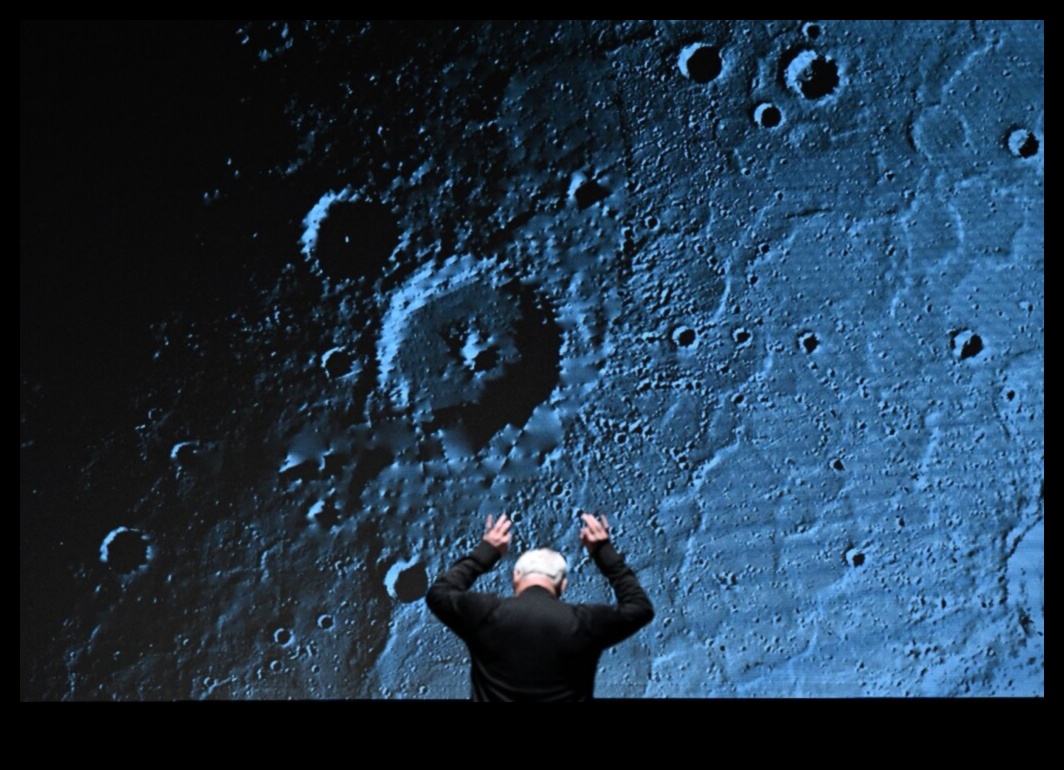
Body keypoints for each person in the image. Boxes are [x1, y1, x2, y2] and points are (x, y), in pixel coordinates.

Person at [425, 512, 654, 701]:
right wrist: (603, 552)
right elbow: (639, 607)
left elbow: (439, 593)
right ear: (563, 584)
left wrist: (486, 552)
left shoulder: (485, 614)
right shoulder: (584, 623)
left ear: (516, 577)